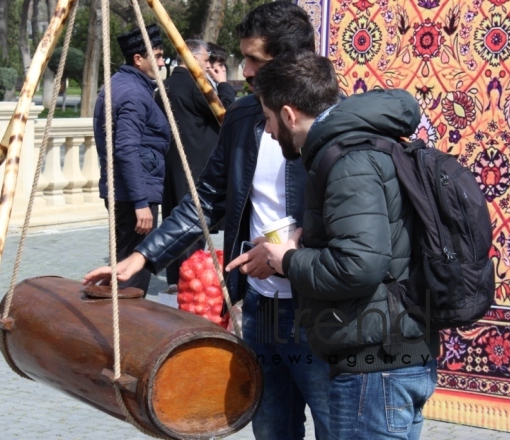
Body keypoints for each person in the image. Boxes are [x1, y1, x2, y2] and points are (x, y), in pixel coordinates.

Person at [85, 3, 330, 438]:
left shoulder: (335, 122)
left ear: (291, 62)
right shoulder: (241, 118)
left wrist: (288, 252)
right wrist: (142, 258)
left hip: (320, 314)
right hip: (260, 310)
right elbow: (207, 200)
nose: (244, 70)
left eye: (256, 59)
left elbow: (350, 214)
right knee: (272, 430)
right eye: (244, 58)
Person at [252, 51, 439, 439]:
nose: (267, 131)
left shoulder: (349, 158)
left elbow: (359, 265)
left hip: (376, 365)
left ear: (288, 114)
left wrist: (287, 260)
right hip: (393, 353)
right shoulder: (361, 143)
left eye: (268, 119)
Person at [93, 24, 170, 294]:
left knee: (125, 264)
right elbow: (126, 149)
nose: (162, 63)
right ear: (139, 59)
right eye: (158, 56)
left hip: (127, 189)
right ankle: (127, 331)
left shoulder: (120, 84)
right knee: (132, 271)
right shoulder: (135, 94)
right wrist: (140, 202)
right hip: (134, 194)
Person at [156, 39, 235, 287]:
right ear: (191, 57)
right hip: (196, 165)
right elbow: (226, 113)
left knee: (174, 220)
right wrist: (223, 84)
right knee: (193, 224)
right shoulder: (194, 86)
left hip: (172, 164)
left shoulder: (164, 86)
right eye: (203, 60)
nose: (206, 65)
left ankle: (175, 279)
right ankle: (192, 280)